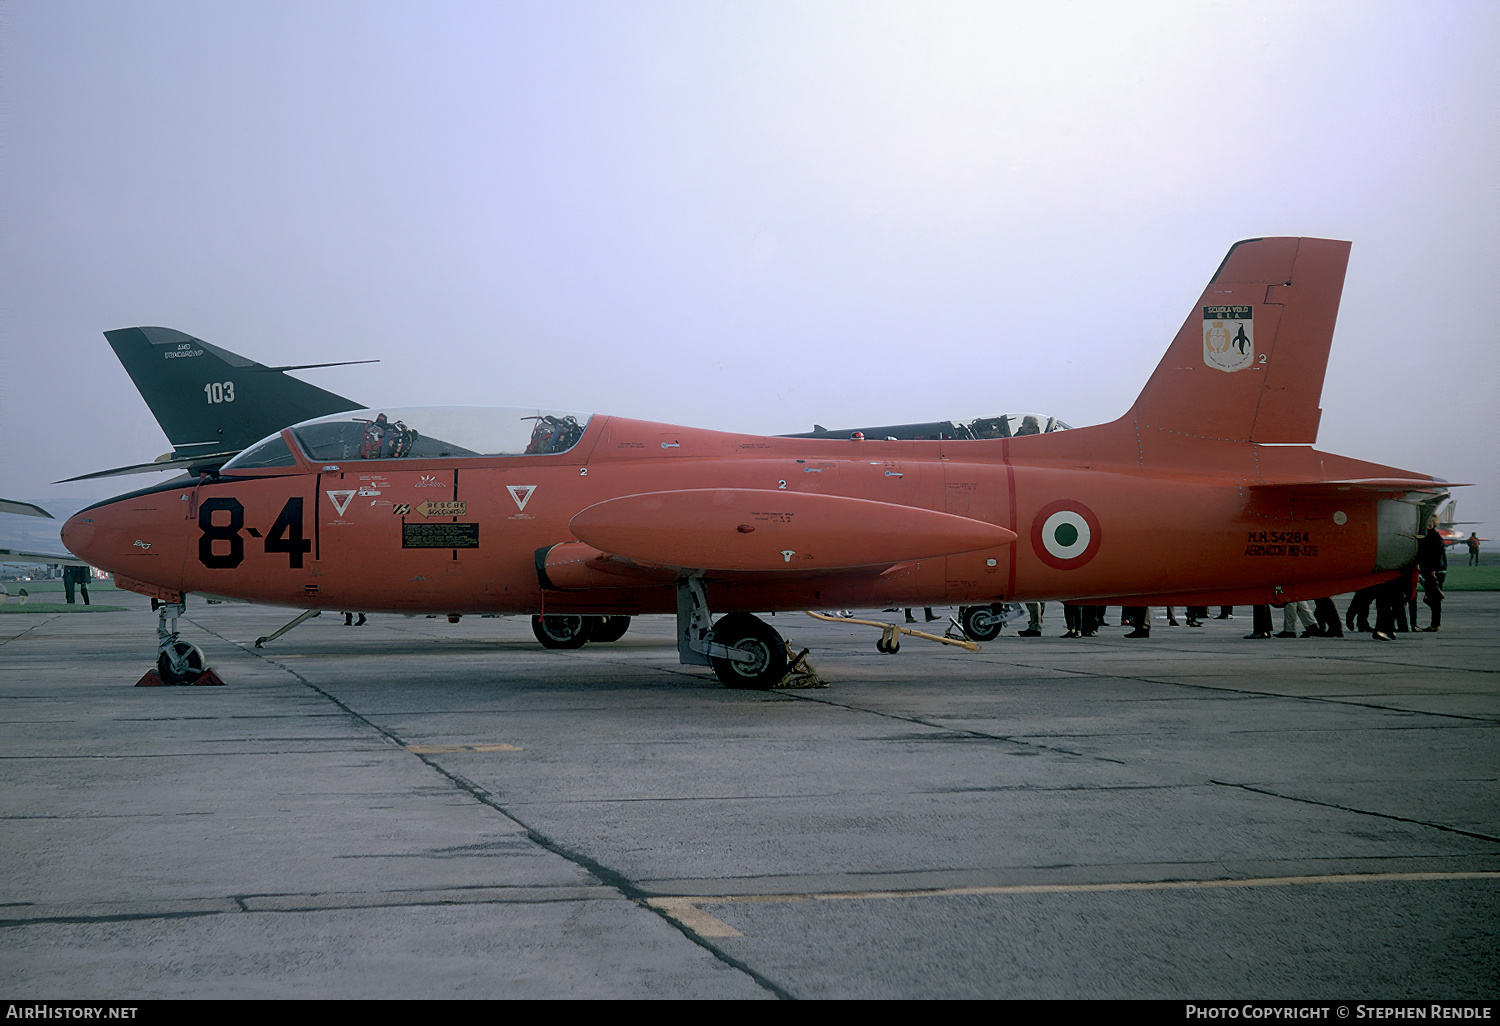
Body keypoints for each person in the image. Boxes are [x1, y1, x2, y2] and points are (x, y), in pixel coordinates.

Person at [1417, 519, 1447, 631]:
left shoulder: (1432, 537)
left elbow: (1436, 555)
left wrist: (1432, 569)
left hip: (1433, 571)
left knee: (1434, 598)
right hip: (1432, 570)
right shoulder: (1432, 536)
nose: (1428, 524)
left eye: (1431, 522)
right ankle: (1435, 623)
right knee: (1433, 597)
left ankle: (1435, 624)